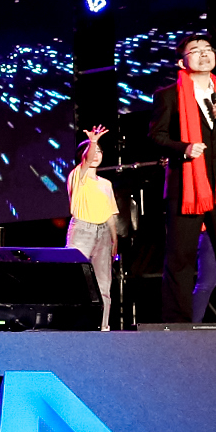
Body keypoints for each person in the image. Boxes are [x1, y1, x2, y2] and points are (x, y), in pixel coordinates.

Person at [147, 34, 216, 326]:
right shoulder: (168, 95)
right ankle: (177, 321)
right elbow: (155, 136)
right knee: (180, 257)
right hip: (186, 187)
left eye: (208, 49)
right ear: (182, 62)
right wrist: (183, 148)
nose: (204, 54)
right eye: (195, 51)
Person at [64, 126, 121, 329]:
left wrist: (114, 240)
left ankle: (103, 326)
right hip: (82, 231)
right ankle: (72, 326)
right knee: (76, 279)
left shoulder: (106, 184)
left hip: (103, 233)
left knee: (103, 284)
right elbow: (87, 162)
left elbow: (111, 214)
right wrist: (93, 141)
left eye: (99, 151)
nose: (96, 155)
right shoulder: (78, 176)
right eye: (92, 151)